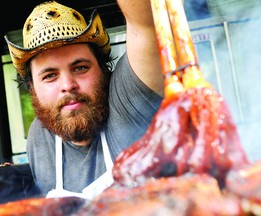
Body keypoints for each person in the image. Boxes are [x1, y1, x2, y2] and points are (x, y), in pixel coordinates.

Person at [4, 0, 164, 199]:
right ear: (33, 89)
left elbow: (146, 23)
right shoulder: (39, 137)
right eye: (50, 75)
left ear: (104, 71)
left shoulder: (127, 103)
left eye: (80, 68)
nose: (68, 85)